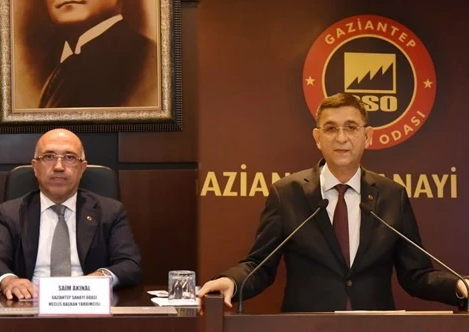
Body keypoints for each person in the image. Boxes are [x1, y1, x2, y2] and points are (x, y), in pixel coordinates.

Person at [198, 93, 468, 312]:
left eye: (351, 127)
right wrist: (231, 281)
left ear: (368, 136)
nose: (341, 138)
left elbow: (416, 275)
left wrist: (459, 285)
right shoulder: (288, 193)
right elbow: (260, 265)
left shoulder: (391, 195)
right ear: (318, 138)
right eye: (330, 128)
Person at [0, 128, 142, 300]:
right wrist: (9, 281)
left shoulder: (110, 211)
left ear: (82, 168)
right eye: (49, 157)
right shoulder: (9, 213)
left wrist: (101, 277)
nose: (59, 167)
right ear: (35, 167)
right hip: (29, 303)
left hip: (87, 302)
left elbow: (130, 264)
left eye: (69, 157)